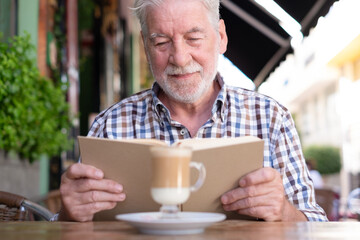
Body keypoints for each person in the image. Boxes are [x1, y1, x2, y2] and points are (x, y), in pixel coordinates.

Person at [56, 0, 327, 222]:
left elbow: (315, 226)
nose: (180, 58)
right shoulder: (109, 126)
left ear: (220, 37)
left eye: (193, 38)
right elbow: (70, 227)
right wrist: (69, 213)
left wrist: (283, 211)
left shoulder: (271, 118)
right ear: (145, 46)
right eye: (161, 42)